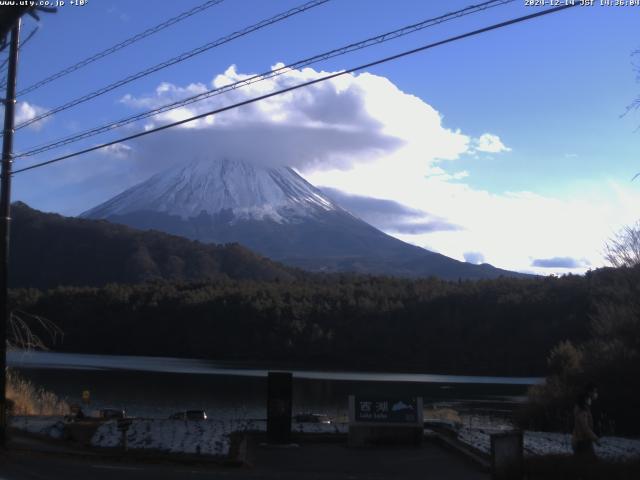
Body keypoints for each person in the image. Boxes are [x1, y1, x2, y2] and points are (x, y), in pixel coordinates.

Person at [572, 388, 599, 459]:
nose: (590, 400)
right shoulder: (582, 412)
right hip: (582, 441)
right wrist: (595, 438)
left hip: (582, 440)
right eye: (588, 399)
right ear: (584, 400)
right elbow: (585, 427)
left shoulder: (584, 409)